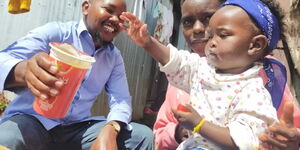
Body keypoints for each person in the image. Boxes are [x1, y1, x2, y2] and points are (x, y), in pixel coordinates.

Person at [120, 0, 293, 149]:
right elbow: (177, 61)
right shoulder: (203, 68)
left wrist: (199, 124)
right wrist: (148, 42)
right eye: (211, 35)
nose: (210, 41)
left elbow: (245, 141)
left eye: (222, 35)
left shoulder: (256, 90)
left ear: (255, 45)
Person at [0, 0, 153, 150]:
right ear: (86, 7)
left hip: (75, 131)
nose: (115, 19)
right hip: (33, 122)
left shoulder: (113, 57)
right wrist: (25, 71)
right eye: (109, 10)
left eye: (120, 17)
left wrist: (111, 129)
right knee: (6, 138)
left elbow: (121, 100)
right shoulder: (57, 33)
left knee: (142, 136)